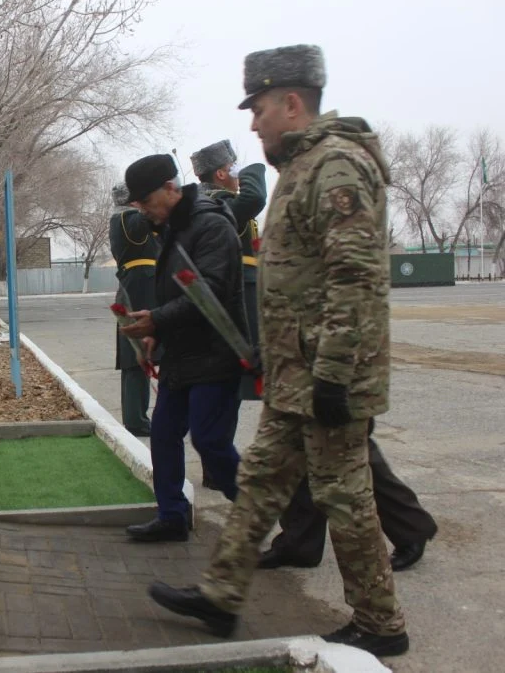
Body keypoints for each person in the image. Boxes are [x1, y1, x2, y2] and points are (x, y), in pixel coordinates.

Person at [146, 44, 410, 657]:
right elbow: (303, 279)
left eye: (259, 107)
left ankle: (381, 623)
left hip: (328, 377)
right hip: (301, 371)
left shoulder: (336, 165)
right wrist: (278, 350)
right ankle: (221, 596)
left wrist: (335, 373)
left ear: (292, 103)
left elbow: (355, 275)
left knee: (344, 498)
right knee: (261, 479)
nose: (252, 122)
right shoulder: (305, 165)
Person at [118, 153, 247, 543]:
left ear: (171, 189)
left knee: (210, 443)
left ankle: (256, 509)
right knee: (163, 434)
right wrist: (160, 331)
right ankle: (172, 515)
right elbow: (181, 289)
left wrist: (158, 320)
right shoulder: (174, 226)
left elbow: (209, 293)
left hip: (216, 353)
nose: (141, 210)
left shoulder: (211, 225)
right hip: (181, 354)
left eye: (144, 201)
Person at [259, 417, 437, 572]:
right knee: (299, 444)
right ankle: (300, 543)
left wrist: (333, 387)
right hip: (295, 384)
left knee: (347, 444)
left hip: (332, 384)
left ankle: (410, 528)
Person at [191, 140, 268, 491]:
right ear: (222, 173)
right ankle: (218, 467)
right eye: (233, 168)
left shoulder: (217, 201)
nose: (238, 174)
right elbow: (254, 198)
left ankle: (216, 465)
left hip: (243, 299)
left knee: (231, 388)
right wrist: (254, 169)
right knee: (226, 386)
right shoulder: (217, 201)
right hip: (234, 304)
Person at [109, 182, 160, 437]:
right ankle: (136, 421)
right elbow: (146, 222)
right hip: (139, 290)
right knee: (137, 358)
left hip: (141, 287)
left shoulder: (126, 219)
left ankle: (138, 418)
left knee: (141, 358)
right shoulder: (126, 218)